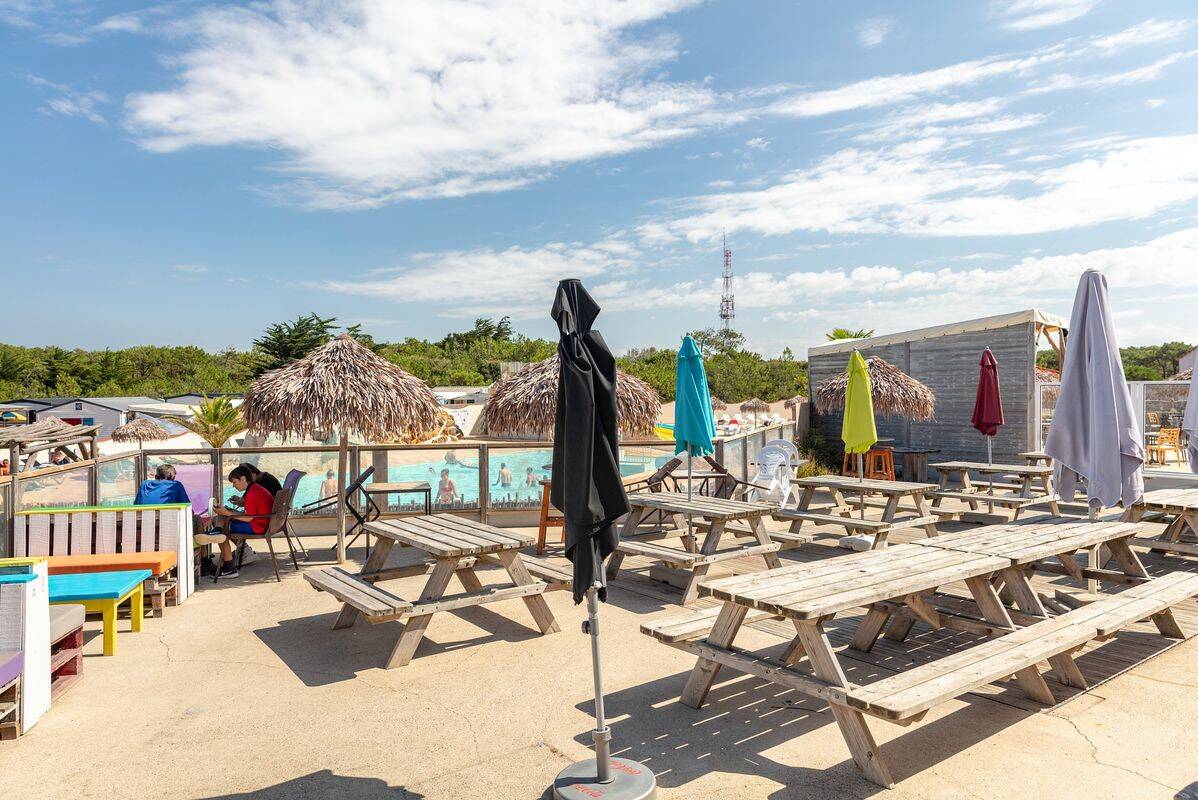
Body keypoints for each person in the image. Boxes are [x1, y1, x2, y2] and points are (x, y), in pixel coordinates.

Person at [211, 465, 274, 578]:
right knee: (221, 519)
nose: (234, 485)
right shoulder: (254, 488)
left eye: (235, 482)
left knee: (222, 530)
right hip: (261, 523)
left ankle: (229, 568)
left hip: (257, 526)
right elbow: (250, 515)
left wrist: (228, 513)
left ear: (243, 479)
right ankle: (217, 531)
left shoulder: (253, 492)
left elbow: (249, 518)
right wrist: (229, 512)